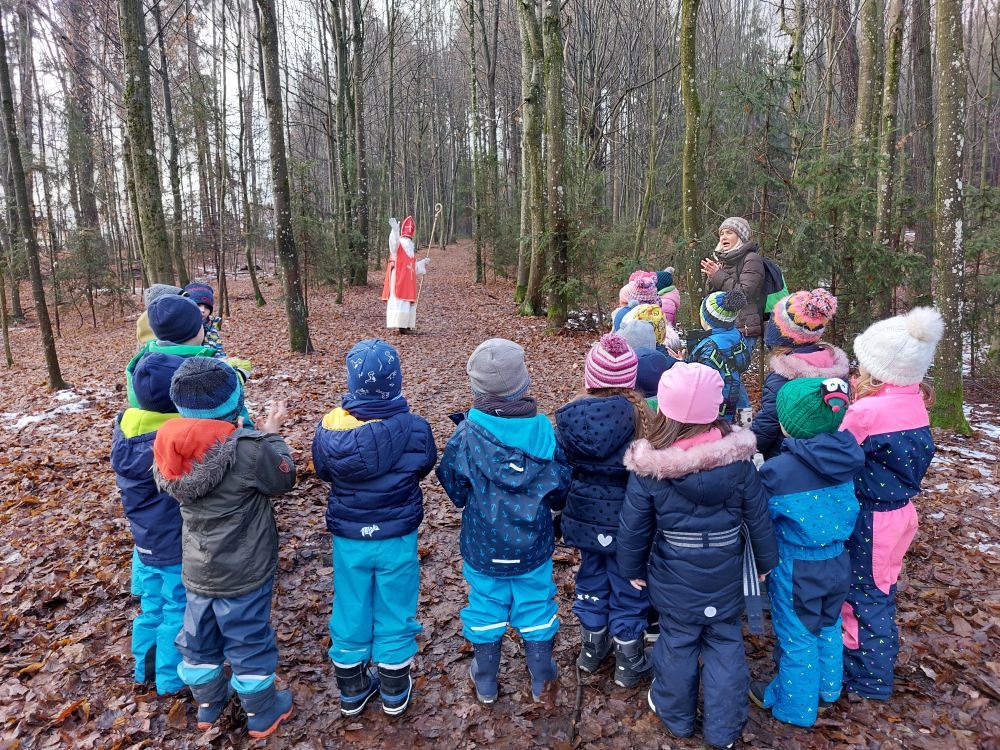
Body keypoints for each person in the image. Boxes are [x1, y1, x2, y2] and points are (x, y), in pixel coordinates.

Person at [618, 362, 777, 749]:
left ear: (663, 410)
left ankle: (676, 717)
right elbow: (758, 516)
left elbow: (634, 525)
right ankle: (724, 729)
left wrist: (631, 567)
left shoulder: (650, 468)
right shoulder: (739, 462)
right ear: (715, 409)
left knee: (677, 641)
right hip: (726, 571)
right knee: (726, 643)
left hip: (675, 575)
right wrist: (764, 563)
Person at [153, 358, 296, 738]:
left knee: (199, 637)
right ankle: (262, 711)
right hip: (244, 570)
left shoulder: (168, 445)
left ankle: (208, 703)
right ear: (235, 402)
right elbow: (283, 477)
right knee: (248, 637)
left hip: (197, 567)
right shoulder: (247, 449)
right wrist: (270, 435)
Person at [436, 339, 571, 703]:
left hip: (484, 544)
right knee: (536, 602)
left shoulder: (465, 436)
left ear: (477, 389)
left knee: (485, 604)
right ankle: (542, 675)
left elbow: (453, 484)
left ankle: (486, 679)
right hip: (533, 544)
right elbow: (560, 486)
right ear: (524, 383)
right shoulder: (544, 432)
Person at [312, 339, 437, 718]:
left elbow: (323, 471)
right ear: (396, 382)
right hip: (396, 536)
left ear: (352, 384)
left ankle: (351, 687)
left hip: (350, 537)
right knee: (396, 604)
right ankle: (394, 688)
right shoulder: (416, 429)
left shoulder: (329, 430)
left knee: (350, 602)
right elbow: (424, 465)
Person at [839, 307, 942, 700]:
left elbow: (837, 455)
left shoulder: (866, 412)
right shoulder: (914, 401)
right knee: (881, 587)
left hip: (872, 517)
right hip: (901, 514)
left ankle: (869, 679)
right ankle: (870, 665)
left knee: (864, 593)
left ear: (878, 369)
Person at [749, 377, 863, 726]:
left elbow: (761, 517)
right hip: (838, 560)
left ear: (789, 424)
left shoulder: (779, 471)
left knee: (797, 635)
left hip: (798, 566)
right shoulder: (846, 457)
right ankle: (827, 691)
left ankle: (796, 709)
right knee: (828, 625)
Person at [555, 334, 654, 688]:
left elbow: (561, 468)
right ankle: (628, 660)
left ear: (590, 377)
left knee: (591, 577)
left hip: (584, 518)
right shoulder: (644, 416)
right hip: (629, 520)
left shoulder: (568, 417)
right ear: (629, 378)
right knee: (630, 584)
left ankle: (592, 648)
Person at [111, 352, 187, 695]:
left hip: (145, 540)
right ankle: (170, 680)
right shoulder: (173, 439)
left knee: (152, 605)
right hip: (174, 543)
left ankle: (144, 669)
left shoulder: (125, 429)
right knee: (176, 606)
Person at [752, 289, 849, 459]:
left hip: (787, 456)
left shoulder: (782, 377)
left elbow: (769, 422)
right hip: (830, 455)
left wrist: (750, 447)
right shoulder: (835, 369)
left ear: (780, 332)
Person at [701, 217, 765, 422]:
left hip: (743, 328)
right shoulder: (723, 260)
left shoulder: (751, 259)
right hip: (724, 328)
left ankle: (743, 421)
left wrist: (718, 274)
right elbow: (714, 295)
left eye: (729, 232)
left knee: (731, 375)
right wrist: (714, 274)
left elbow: (743, 294)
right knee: (727, 375)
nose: (724, 237)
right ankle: (731, 420)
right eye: (721, 233)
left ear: (741, 236)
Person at [688, 290, 751, 423]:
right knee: (744, 432)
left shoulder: (709, 348)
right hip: (741, 401)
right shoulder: (737, 335)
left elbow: (703, 384)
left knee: (726, 436)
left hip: (720, 411)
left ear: (705, 319)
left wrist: (684, 364)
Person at [382, 216, 429, 331]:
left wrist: (423, 263)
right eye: (406, 237)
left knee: (407, 303)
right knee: (399, 302)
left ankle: (407, 324)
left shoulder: (410, 251)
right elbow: (393, 244)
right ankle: (401, 326)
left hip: (408, 283)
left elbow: (413, 268)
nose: (408, 239)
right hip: (398, 280)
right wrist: (395, 231)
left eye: (409, 238)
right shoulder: (399, 246)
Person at [183, 282, 225, 355]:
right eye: (198, 305)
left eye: (207, 307)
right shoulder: (180, 328)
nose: (202, 310)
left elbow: (219, 352)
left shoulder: (212, 327)